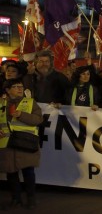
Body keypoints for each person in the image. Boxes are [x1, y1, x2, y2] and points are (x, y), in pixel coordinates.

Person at [0, 78, 43, 209]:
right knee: (11, 173)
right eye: (16, 86)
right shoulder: (1, 104)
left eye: (21, 86)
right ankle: (16, 198)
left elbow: (38, 119)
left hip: (25, 144)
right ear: (7, 90)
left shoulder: (30, 103)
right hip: (7, 145)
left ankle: (31, 199)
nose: (20, 89)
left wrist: (21, 115)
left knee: (28, 173)